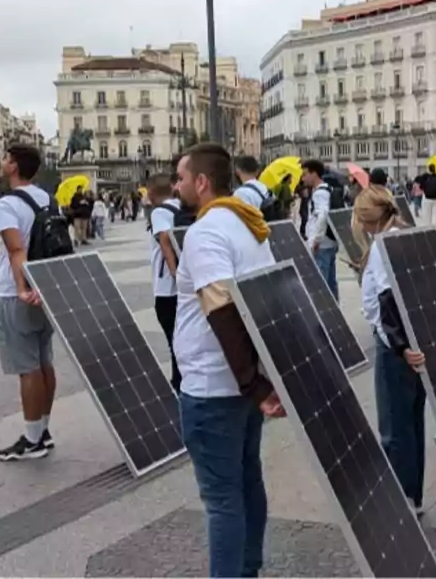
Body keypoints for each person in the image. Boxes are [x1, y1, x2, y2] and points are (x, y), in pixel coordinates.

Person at [173, 143, 284, 578]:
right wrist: (261, 380)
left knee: (222, 501)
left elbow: (220, 308)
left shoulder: (206, 232)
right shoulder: (248, 224)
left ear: (202, 182)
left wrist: (254, 385)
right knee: (247, 484)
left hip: (213, 387)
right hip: (242, 383)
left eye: (181, 177)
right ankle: (248, 571)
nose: (177, 185)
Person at [353, 185, 427, 514]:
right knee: (411, 423)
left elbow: (388, 302)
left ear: (365, 219)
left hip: (393, 348)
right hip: (412, 342)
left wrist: (400, 347)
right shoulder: (402, 234)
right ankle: (413, 494)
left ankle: (402, 501)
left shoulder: (383, 246)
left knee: (394, 427)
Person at [0, 144, 57, 461]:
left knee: (27, 367)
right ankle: (42, 430)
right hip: (46, 287)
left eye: (6, 158)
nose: (2, 162)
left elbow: (16, 249)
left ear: (14, 166)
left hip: (18, 292)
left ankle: (32, 439)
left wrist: (21, 288)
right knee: (45, 361)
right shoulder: (47, 197)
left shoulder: (6, 204)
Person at [146, 174, 182, 393]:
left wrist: (173, 271)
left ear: (151, 193)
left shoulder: (159, 212)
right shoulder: (182, 207)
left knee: (174, 339)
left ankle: (178, 382)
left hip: (168, 288)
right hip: (186, 284)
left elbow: (164, 239)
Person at [301, 159, 339, 299]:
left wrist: (316, 240)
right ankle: (335, 313)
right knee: (330, 283)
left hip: (322, 245)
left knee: (321, 285)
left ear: (314, 174)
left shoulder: (319, 193)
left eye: (305, 174)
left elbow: (322, 215)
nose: (303, 178)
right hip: (329, 242)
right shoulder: (328, 188)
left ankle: (327, 315)